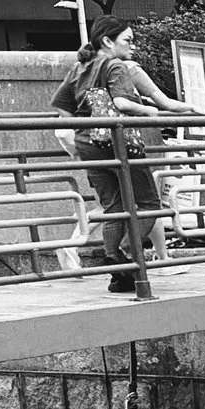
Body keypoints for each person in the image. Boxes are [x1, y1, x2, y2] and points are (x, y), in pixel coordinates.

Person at [51, 17, 195, 292]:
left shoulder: (80, 66)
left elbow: (64, 109)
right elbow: (121, 102)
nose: (133, 45)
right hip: (120, 143)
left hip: (88, 144)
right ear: (108, 41)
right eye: (127, 40)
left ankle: (117, 271)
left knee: (113, 208)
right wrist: (150, 111)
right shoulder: (114, 65)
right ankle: (126, 254)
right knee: (150, 203)